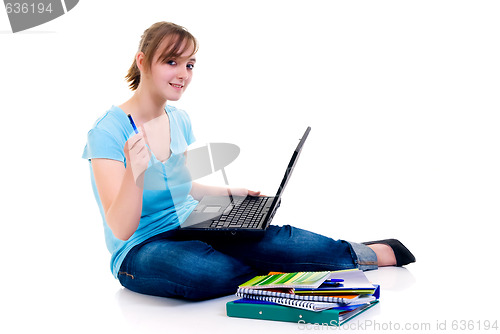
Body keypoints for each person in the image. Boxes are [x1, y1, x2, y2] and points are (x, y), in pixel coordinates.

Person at [82, 21, 415, 301]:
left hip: (190, 221)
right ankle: (278, 268)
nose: (183, 73)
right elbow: (121, 227)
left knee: (269, 236)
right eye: (171, 62)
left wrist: (227, 194)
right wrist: (135, 175)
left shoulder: (178, 118)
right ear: (142, 61)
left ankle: (361, 253)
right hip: (141, 249)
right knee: (201, 271)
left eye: (190, 64)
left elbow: (179, 185)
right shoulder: (107, 132)